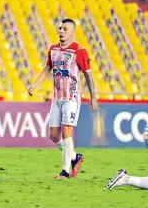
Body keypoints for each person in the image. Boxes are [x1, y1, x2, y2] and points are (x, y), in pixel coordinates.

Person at [27, 19, 98, 179]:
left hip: (72, 99)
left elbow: (88, 74)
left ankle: (65, 171)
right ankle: (74, 157)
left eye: (65, 28)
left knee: (67, 131)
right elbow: (47, 68)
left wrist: (93, 97)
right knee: (53, 136)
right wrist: (34, 84)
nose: (61, 31)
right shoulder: (53, 49)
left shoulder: (79, 51)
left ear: (72, 32)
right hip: (56, 99)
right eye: (59, 28)